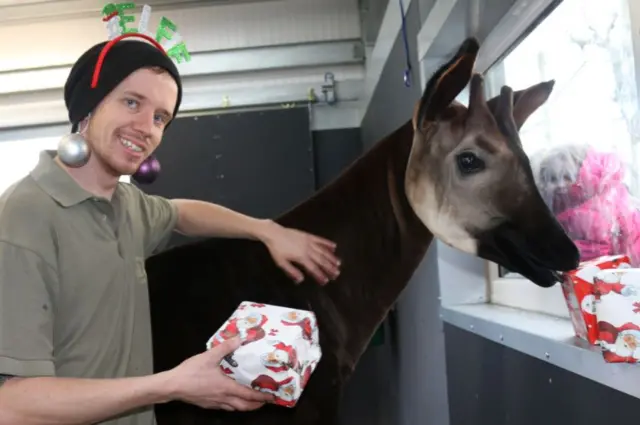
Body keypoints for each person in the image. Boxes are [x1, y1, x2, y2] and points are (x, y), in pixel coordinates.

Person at [0, 34, 341, 425]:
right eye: (132, 102)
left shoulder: (127, 207)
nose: (147, 127)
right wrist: (172, 384)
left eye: (161, 117)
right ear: (88, 106)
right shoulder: (24, 217)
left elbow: (181, 213)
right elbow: (12, 404)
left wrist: (266, 230)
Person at [532, 143, 640, 266]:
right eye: (552, 179)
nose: (560, 185)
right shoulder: (574, 203)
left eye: (567, 177)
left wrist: (565, 253)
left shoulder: (591, 210)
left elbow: (600, 250)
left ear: (582, 176)